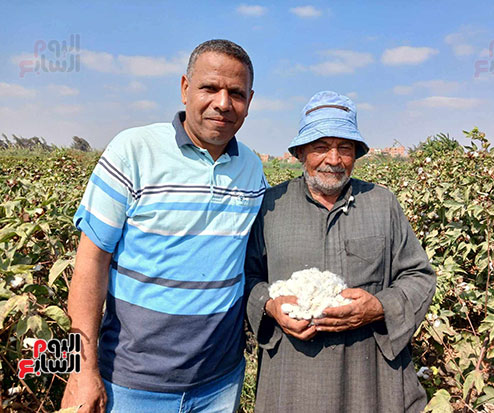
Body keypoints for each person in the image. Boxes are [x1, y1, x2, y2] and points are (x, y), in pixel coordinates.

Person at [61, 39, 267, 413]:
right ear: (185, 88)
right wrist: (79, 372)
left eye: (236, 93)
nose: (223, 103)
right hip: (128, 383)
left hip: (220, 383)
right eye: (210, 88)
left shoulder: (252, 169)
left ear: (249, 101)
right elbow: (89, 265)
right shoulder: (132, 150)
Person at [245, 91, 436, 413]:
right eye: (320, 147)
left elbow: (418, 275)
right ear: (301, 153)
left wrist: (379, 306)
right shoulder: (270, 206)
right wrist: (270, 305)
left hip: (369, 374)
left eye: (344, 148)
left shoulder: (381, 203)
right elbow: (247, 276)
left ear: (356, 154)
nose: (333, 160)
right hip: (293, 375)